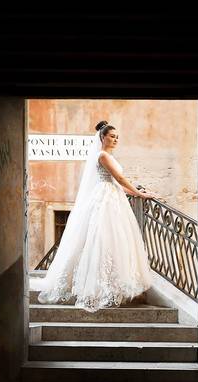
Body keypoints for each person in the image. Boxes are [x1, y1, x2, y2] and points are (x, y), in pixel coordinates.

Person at [37, 120, 157, 312]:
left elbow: (118, 182)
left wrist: (134, 192)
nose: (115, 139)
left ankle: (112, 282)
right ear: (102, 137)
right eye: (112, 136)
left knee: (114, 240)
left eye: (117, 137)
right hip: (105, 199)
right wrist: (140, 194)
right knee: (101, 239)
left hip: (113, 195)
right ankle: (97, 286)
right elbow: (119, 179)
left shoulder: (108, 156)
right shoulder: (102, 155)